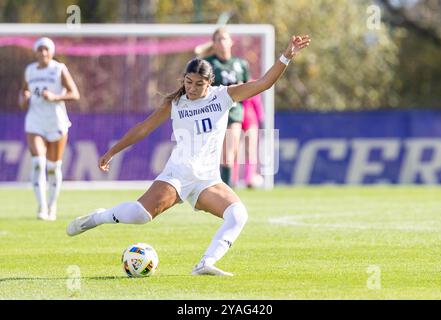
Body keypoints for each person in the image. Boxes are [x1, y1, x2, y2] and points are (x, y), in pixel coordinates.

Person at [66, 34, 311, 276]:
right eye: (188, 81)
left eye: (198, 84)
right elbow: (143, 128)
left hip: (207, 179)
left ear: (210, 82)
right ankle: (99, 217)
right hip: (178, 173)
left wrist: (285, 57)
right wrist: (112, 151)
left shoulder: (224, 96)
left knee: (238, 215)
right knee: (140, 216)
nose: (191, 88)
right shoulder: (176, 103)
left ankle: (205, 264)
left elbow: (264, 83)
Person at [19, 37, 80, 221]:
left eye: (47, 50)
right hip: (35, 121)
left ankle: (52, 205)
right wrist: (23, 99)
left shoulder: (59, 69)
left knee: (54, 167)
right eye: (40, 50)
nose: (43, 53)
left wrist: (54, 97)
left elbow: (74, 94)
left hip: (56, 121)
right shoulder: (29, 70)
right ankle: (42, 206)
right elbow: (23, 93)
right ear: (36, 52)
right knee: (38, 163)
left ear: (52, 52)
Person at [202, 27, 250, 187]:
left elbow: (246, 88)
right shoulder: (208, 63)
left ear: (231, 42)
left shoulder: (241, 64)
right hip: (213, 113)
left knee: (229, 153)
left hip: (234, 111)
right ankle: (207, 187)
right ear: (214, 44)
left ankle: (225, 189)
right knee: (209, 154)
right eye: (219, 39)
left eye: (225, 38)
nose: (222, 42)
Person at [232, 93, 265, 188]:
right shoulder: (234, 86)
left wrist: (261, 121)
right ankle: (233, 179)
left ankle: (249, 180)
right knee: (234, 151)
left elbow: (258, 106)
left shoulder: (252, 86)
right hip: (236, 120)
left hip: (250, 121)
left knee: (250, 150)